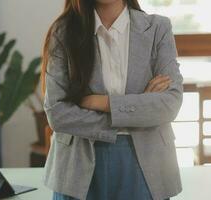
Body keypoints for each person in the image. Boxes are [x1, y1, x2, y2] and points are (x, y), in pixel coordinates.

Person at [40, 0, 184, 199]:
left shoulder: (158, 28)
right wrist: (139, 109)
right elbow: (58, 114)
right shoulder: (63, 31)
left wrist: (103, 103)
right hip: (77, 167)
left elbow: (170, 104)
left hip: (147, 162)